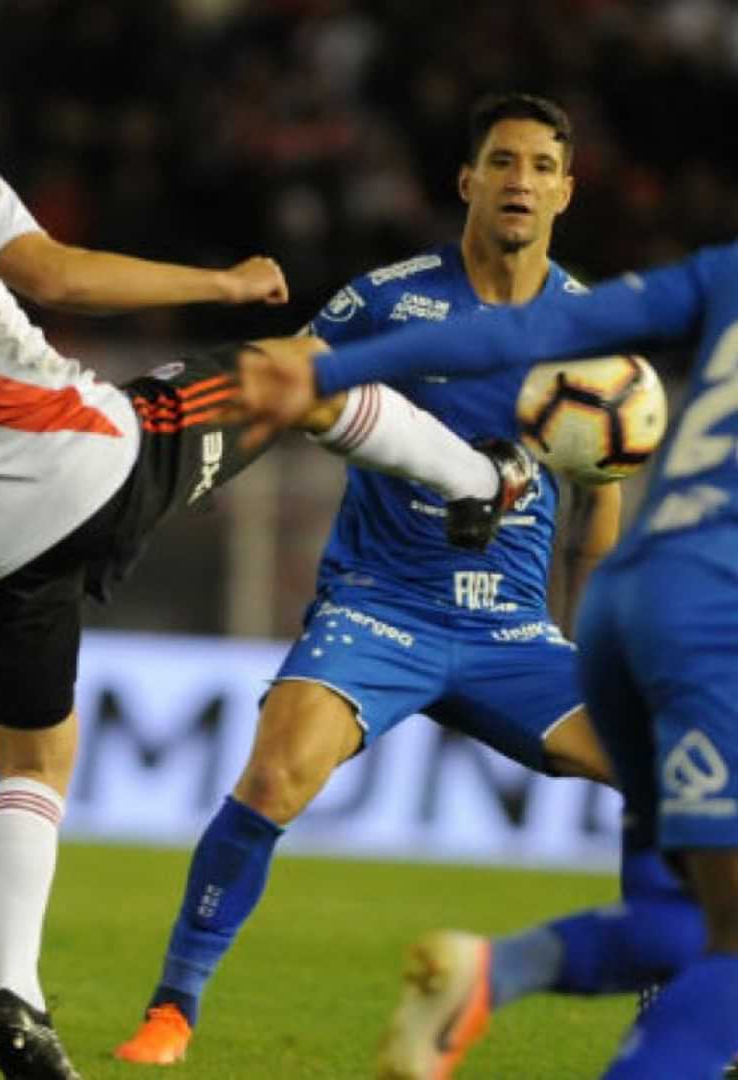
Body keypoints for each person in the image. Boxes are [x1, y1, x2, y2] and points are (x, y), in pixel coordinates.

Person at [0, 13, 530, 1078]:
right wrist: (218, 284)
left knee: (31, 766)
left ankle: (17, 996)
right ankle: (487, 482)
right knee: (288, 371)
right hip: (97, 468)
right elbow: (57, 276)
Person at [113, 91, 694, 1069]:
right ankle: (174, 1008)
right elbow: (285, 388)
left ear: (566, 191)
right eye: (502, 162)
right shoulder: (386, 299)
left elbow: (600, 498)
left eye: (541, 167)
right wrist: (198, 469)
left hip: (511, 632)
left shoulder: (594, 332)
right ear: (467, 181)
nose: (520, 181)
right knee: (276, 772)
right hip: (379, 609)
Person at [232, 219, 738, 1080]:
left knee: (687, 926)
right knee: (724, 938)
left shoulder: (718, 272)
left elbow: (519, 330)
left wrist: (327, 370)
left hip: (644, 595)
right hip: (705, 612)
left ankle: (495, 974)